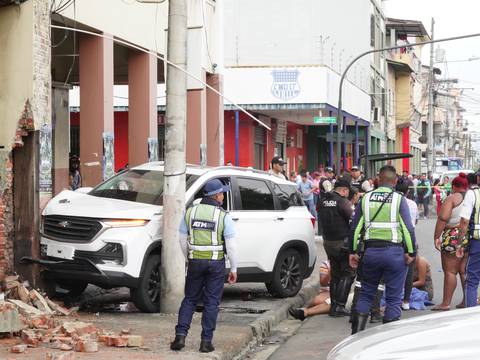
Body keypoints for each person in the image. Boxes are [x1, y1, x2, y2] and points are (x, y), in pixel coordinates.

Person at [171, 179, 238, 353]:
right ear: (216, 195)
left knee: (190, 299)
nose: (223, 195)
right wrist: (233, 269)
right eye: (222, 192)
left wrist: (189, 258)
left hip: (195, 262)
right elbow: (230, 246)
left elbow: (181, 239)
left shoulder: (190, 212)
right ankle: (206, 342)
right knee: (211, 302)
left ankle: (180, 337)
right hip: (216, 264)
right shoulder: (223, 216)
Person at [349, 165, 416, 334]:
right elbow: (408, 229)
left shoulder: (366, 198)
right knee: (393, 298)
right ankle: (387, 343)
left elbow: (355, 228)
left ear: (378, 179)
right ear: (394, 182)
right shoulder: (399, 200)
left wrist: (353, 252)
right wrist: (411, 252)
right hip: (394, 254)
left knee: (366, 293)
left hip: (371, 254)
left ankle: (355, 336)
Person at [317, 179, 355, 317]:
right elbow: (352, 219)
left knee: (335, 275)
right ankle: (339, 306)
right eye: (347, 191)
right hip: (342, 242)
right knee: (348, 273)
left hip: (328, 242)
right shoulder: (342, 202)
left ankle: (333, 306)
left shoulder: (323, 200)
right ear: (344, 190)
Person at [432, 173, 468, 311]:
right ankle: (467, 300)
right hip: (470, 236)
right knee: (464, 271)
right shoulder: (474, 197)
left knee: (450, 271)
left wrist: (436, 236)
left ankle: (446, 303)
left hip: (453, 236)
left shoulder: (452, 198)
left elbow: (443, 218)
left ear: (454, 186)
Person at [457, 169, 480, 308]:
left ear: (478, 178)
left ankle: (470, 317)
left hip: (477, 242)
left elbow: (464, 222)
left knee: (471, 280)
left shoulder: (473, 194)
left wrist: (460, 244)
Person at [396, 179, 419, 311]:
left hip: (396, 240)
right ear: (408, 191)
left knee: (394, 271)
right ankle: (406, 301)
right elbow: (415, 222)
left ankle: (393, 299)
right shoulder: (412, 204)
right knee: (409, 272)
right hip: (410, 239)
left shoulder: (392, 202)